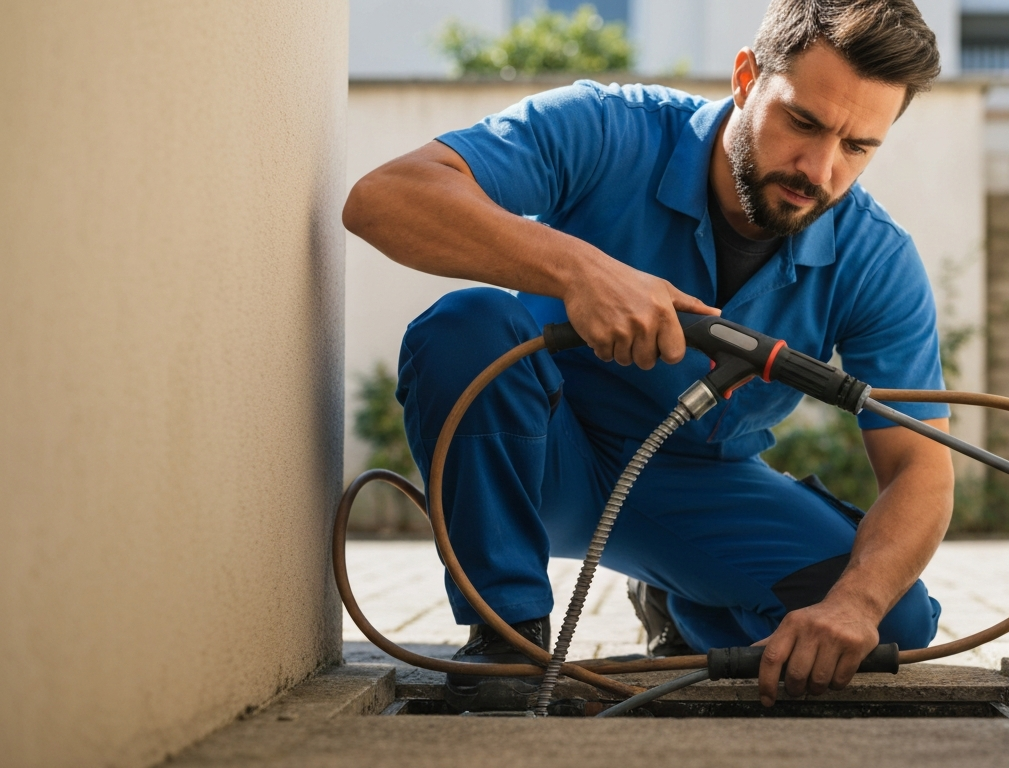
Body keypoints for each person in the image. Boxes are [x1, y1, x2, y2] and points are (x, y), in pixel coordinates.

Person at [343, 0, 955, 712]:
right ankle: (507, 638)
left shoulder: (877, 258)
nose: (819, 169)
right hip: (536, 453)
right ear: (746, 78)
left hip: (692, 487)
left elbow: (920, 470)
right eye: (805, 123)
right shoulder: (607, 128)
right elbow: (383, 199)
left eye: (858, 147)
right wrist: (578, 271)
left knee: (892, 621)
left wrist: (852, 604)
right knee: (469, 324)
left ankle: (681, 608)